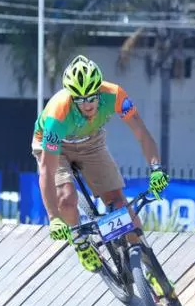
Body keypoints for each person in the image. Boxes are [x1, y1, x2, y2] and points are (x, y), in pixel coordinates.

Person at [32, 55, 169, 269]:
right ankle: (80, 242)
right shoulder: (56, 117)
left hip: (91, 141)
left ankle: (149, 265)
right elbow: (46, 172)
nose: (87, 105)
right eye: (80, 99)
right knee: (66, 198)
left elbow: (141, 132)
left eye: (92, 98)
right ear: (71, 97)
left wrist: (156, 168)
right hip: (55, 147)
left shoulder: (115, 95)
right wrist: (53, 217)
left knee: (119, 203)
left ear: (99, 92)